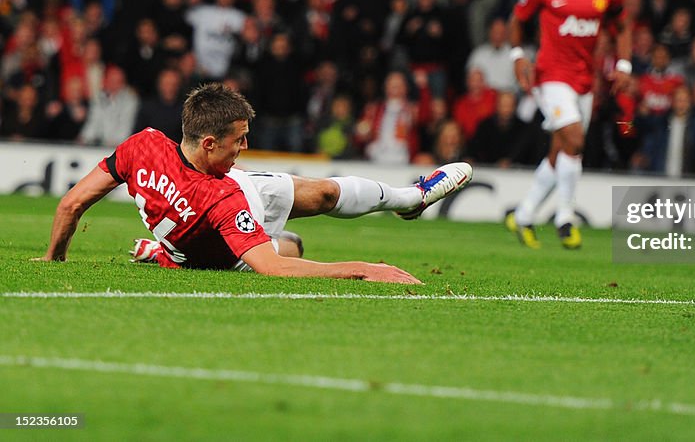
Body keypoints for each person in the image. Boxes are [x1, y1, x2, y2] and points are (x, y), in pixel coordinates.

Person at [35, 84, 472, 283]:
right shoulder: (225, 196)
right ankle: (168, 249)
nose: (245, 145)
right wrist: (364, 269)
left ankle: (410, 199)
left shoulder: (143, 144)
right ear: (208, 142)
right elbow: (274, 269)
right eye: (239, 139)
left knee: (322, 193)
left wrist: (54, 259)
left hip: (201, 228)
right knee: (291, 250)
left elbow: (72, 204)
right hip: (221, 245)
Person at [505, 0, 631, 249]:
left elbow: (623, 25)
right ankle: (565, 218)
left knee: (560, 150)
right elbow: (518, 18)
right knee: (575, 140)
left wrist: (624, 65)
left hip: (585, 81)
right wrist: (519, 56)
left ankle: (524, 213)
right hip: (550, 77)